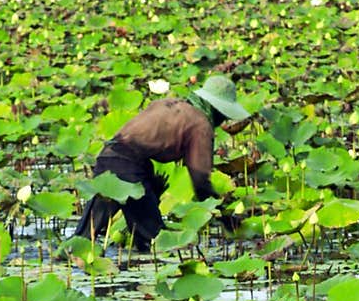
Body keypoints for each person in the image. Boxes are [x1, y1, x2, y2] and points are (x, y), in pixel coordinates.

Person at [74, 74, 250, 252]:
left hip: (107, 158)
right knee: (156, 241)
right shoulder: (201, 125)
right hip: (128, 168)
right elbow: (200, 182)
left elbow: (135, 142)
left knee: (83, 238)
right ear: (217, 110)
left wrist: (151, 187)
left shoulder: (168, 104)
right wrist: (225, 217)